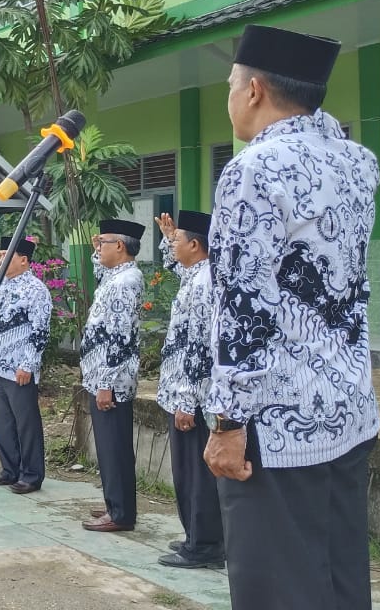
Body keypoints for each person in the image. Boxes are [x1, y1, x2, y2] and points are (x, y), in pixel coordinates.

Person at [203, 25, 379, 609]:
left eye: (230, 87)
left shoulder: (253, 169)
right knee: (341, 578)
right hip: (347, 410)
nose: (229, 99)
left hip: (277, 425)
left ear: (254, 90)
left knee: (277, 589)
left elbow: (242, 305)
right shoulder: (359, 163)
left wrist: (228, 423)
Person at [151, 211, 223, 570]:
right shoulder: (196, 274)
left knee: (195, 475)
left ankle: (205, 545)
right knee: (186, 473)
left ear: (195, 245)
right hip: (180, 390)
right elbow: (176, 266)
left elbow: (199, 346)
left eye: (178, 240)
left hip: (191, 397)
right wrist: (169, 237)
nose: (172, 245)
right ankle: (195, 535)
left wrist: (187, 400)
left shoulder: (204, 281)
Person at [0, 236, 51, 494]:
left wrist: (28, 364)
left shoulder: (35, 289)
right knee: (3, 421)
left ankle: (31, 475)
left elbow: (40, 331)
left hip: (19, 367)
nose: (1, 259)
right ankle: (9, 469)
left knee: (25, 423)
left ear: (24, 260)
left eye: (7, 255)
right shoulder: (0, 282)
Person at [80, 219, 145, 532]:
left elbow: (119, 337)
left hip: (113, 380)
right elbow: (100, 268)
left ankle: (120, 513)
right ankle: (115, 504)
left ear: (119, 246)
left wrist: (106, 383)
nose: (98, 247)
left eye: (103, 242)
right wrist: (97, 250)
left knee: (114, 448)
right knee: (108, 447)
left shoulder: (125, 281)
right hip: (102, 376)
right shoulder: (115, 276)